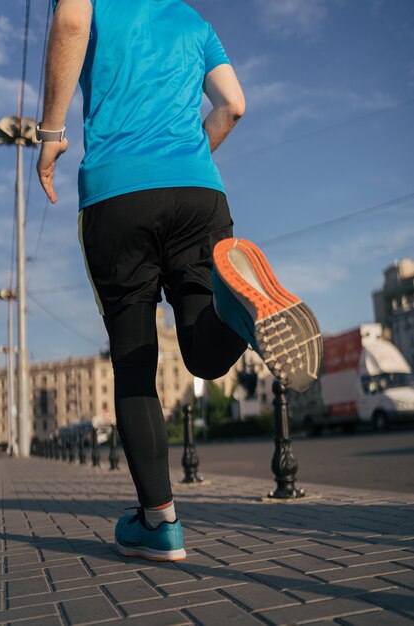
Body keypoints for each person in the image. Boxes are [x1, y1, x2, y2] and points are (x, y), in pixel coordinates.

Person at [37, 0, 322, 562]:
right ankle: (243, 312)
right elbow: (234, 106)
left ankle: (160, 524)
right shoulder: (193, 20)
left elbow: (71, 19)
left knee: (135, 363)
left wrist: (50, 131)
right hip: (199, 192)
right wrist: (186, 159)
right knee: (203, 345)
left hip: (118, 195)